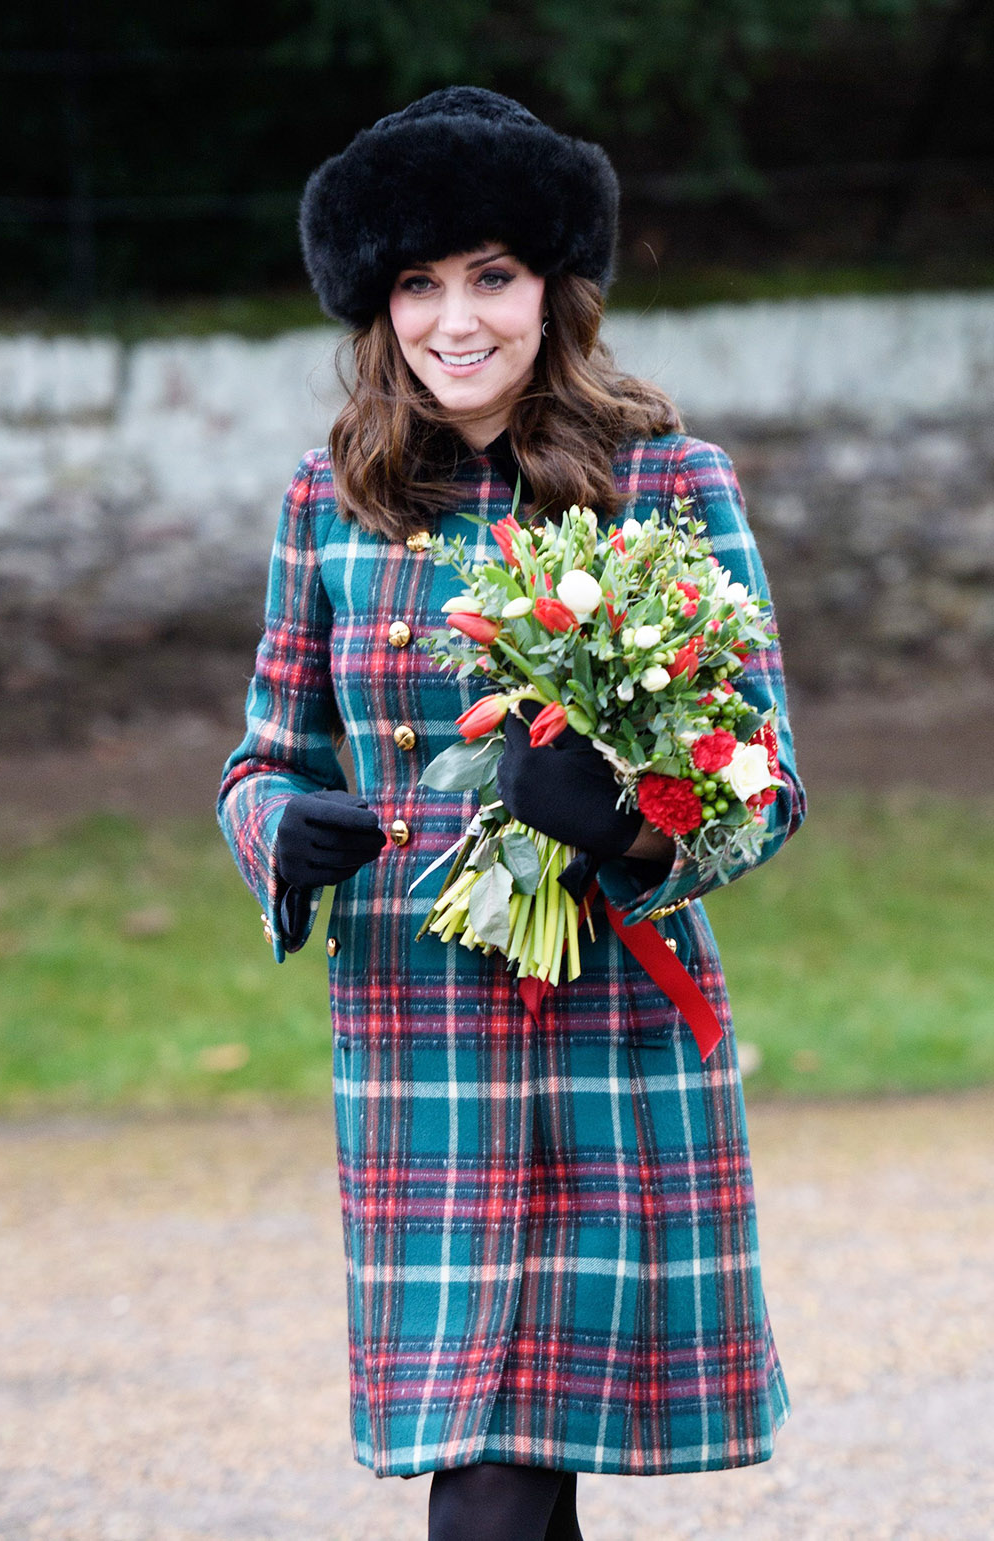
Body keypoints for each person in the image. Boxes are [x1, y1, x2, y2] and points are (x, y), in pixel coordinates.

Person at [217, 86, 806, 1541]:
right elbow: (261, 760)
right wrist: (280, 834)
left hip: (611, 1046)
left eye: (492, 274)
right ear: (376, 305)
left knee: (494, 1499)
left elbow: (765, 778)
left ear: (555, 289)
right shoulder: (329, 501)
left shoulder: (668, 481)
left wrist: (622, 817)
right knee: (498, 1496)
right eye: (418, 283)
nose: (455, 318)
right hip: (424, 1061)